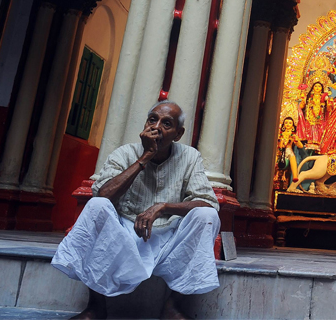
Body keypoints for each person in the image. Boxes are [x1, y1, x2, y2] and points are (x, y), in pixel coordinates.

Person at [52, 101, 220, 320]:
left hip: (168, 239)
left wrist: (163, 207)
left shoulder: (190, 157)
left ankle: (172, 307)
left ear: (178, 134)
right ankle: (96, 307)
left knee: (207, 216)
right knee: (96, 206)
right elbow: (103, 194)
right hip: (125, 236)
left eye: (166, 124)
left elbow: (208, 202)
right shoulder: (124, 153)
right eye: (152, 120)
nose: (156, 127)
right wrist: (145, 158)